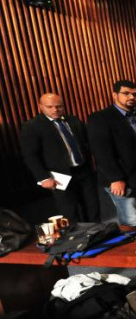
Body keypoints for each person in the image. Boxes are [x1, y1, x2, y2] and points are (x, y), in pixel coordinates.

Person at [87, 80, 136, 227]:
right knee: (131, 219)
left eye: (135, 94)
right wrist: (116, 178)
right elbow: (101, 152)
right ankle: (133, 249)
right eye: (126, 93)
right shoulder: (100, 118)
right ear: (114, 95)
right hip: (122, 179)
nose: (131, 97)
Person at [20, 93, 99, 222]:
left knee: (93, 208)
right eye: (50, 107)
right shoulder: (32, 126)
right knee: (70, 213)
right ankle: (79, 240)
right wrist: (43, 178)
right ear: (41, 107)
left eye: (59, 106)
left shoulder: (73, 120)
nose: (55, 110)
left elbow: (86, 142)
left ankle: (98, 235)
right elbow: (30, 156)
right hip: (59, 176)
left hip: (83, 171)